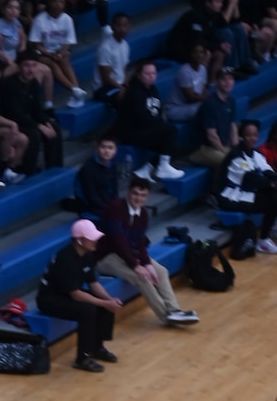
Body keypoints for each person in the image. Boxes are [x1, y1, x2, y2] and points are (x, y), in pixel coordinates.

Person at [95, 178, 201, 323]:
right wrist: (136, 265)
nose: (138, 198)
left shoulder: (143, 213)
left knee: (161, 271)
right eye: (135, 194)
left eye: (143, 195)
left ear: (147, 197)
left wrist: (147, 264)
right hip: (105, 256)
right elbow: (118, 241)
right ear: (128, 192)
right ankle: (166, 316)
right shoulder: (115, 208)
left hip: (126, 254)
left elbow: (139, 241)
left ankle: (174, 310)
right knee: (142, 277)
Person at [36, 220, 122, 373]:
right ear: (79, 240)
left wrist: (109, 299)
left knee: (105, 304)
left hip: (67, 295)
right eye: (91, 237)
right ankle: (82, 358)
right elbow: (76, 294)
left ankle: (97, 347)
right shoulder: (66, 259)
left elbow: (93, 283)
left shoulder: (87, 254)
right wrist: (103, 303)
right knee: (88, 310)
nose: (95, 240)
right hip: (50, 299)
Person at [116, 64, 184, 182]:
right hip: (132, 131)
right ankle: (162, 168)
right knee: (170, 129)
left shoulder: (153, 89)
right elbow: (140, 117)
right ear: (139, 75)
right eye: (148, 74)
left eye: (154, 73)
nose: (151, 77)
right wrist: (159, 125)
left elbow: (158, 111)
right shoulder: (134, 92)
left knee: (173, 148)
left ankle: (145, 170)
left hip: (146, 129)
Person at [0, 54, 64, 172]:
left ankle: (54, 167)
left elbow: (36, 109)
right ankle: (27, 170)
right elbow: (15, 114)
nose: (31, 70)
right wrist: (39, 126)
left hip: (25, 119)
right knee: (34, 134)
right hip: (10, 122)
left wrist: (46, 122)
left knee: (54, 128)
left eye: (34, 66)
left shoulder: (33, 82)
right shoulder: (9, 85)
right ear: (19, 67)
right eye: (27, 66)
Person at [221, 118, 277, 247]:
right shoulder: (236, 155)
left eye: (255, 135)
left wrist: (274, 179)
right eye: (248, 135)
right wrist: (272, 184)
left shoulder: (255, 153)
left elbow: (266, 169)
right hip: (232, 196)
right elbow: (250, 178)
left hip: (248, 192)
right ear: (241, 136)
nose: (252, 138)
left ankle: (264, 237)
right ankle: (264, 238)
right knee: (273, 199)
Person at [28, 0, 86, 102]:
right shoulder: (40, 20)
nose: (58, 4)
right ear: (49, 2)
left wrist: (61, 52)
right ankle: (74, 89)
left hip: (59, 51)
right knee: (53, 65)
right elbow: (36, 45)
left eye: (61, 2)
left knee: (64, 61)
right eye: (55, 1)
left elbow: (68, 41)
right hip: (42, 53)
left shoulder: (67, 19)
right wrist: (50, 54)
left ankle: (77, 91)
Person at [189, 69, 240, 173]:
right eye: (223, 79)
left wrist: (237, 148)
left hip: (222, 144)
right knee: (230, 161)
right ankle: (219, 189)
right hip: (203, 149)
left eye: (230, 79)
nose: (227, 82)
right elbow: (212, 136)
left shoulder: (231, 100)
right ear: (217, 81)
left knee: (243, 156)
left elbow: (232, 126)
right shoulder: (210, 104)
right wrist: (225, 152)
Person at [165, 41, 211, 125]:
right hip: (176, 108)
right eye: (195, 52)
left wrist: (209, 98)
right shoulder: (184, 71)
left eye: (201, 52)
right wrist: (206, 98)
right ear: (190, 54)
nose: (199, 55)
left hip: (192, 105)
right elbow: (190, 98)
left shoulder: (203, 69)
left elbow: (203, 91)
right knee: (201, 109)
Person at [76, 135, 122, 216]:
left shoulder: (113, 165)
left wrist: (115, 205)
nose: (106, 151)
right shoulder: (88, 168)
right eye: (103, 147)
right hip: (91, 208)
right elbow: (90, 195)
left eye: (110, 148)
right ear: (97, 149)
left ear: (115, 151)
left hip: (106, 204)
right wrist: (108, 209)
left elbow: (114, 190)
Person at [94, 12, 133, 102]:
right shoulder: (105, 48)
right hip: (104, 88)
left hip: (119, 84)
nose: (122, 29)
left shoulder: (125, 45)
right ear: (112, 27)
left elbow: (124, 70)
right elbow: (106, 78)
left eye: (125, 26)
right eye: (119, 26)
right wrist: (122, 88)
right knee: (123, 96)